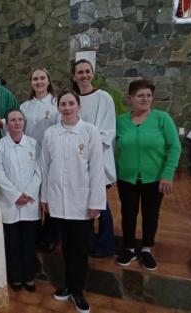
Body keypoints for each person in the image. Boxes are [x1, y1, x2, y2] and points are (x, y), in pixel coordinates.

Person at [40, 89, 105, 313]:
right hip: (58, 201)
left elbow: (97, 169)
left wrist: (95, 202)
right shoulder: (51, 133)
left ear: (78, 106)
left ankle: (78, 291)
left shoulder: (89, 131)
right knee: (66, 247)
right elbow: (45, 167)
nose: (66, 107)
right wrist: (45, 198)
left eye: (71, 103)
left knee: (80, 249)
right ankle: (67, 285)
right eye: (63, 104)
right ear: (58, 107)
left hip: (82, 202)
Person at [115, 79, 181, 271]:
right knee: (128, 213)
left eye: (149, 95)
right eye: (140, 95)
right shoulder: (120, 122)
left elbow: (175, 147)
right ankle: (128, 247)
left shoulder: (162, 119)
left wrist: (167, 174)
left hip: (154, 179)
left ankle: (146, 248)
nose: (145, 99)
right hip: (126, 178)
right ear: (130, 98)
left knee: (151, 215)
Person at [0, 109, 41, 293]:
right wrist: (15, 195)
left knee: (29, 243)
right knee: (12, 243)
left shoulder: (34, 144)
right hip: (10, 203)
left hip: (29, 203)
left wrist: (28, 193)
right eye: (13, 120)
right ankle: (15, 277)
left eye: (20, 119)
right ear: (8, 123)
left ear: (24, 122)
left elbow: (39, 171)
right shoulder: (0, 146)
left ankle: (29, 276)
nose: (17, 123)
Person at [71, 59, 116, 257]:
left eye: (87, 71)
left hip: (97, 159)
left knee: (101, 203)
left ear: (93, 73)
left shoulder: (104, 98)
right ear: (74, 76)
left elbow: (108, 130)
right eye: (80, 72)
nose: (84, 75)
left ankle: (106, 244)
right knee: (82, 203)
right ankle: (87, 242)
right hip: (77, 161)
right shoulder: (73, 99)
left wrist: (87, 150)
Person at [20, 68, 59, 252]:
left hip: (51, 156)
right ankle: (34, 232)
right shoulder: (25, 106)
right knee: (34, 194)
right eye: (35, 79)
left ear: (48, 81)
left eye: (42, 78)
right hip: (30, 156)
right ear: (31, 83)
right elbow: (18, 127)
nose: (39, 81)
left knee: (50, 194)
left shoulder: (57, 103)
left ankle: (51, 235)